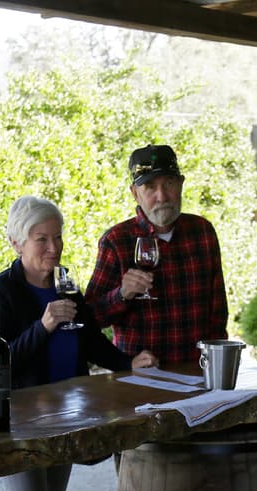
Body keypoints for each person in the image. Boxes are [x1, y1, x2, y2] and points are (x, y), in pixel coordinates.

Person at [0, 196, 156, 491]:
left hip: (64, 418)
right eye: (42, 239)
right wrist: (43, 326)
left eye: (57, 237)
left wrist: (128, 363)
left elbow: (91, 340)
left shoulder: (65, 284)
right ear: (16, 242)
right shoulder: (0, 291)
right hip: (21, 423)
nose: (53, 247)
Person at [84, 144, 227, 364]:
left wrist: (218, 362)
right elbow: (90, 318)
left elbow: (218, 312)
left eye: (168, 183)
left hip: (197, 370)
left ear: (181, 184)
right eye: (150, 187)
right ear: (135, 193)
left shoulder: (202, 232)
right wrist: (122, 294)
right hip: (142, 375)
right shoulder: (116, 241)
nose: (162, 196)